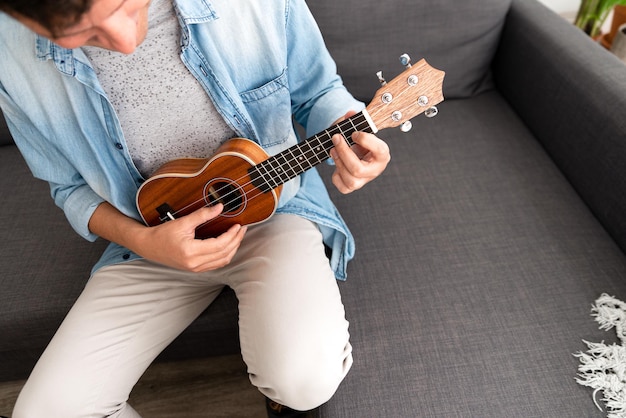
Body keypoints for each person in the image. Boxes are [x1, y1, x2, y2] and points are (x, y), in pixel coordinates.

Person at [0, 0, 391, 416]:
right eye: (84, 34)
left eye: (126, 6)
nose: (126, 42)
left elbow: (318, 93)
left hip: (276, 208)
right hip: (148, 233)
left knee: (304, 381)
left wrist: (352, 137)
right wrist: (147, 243)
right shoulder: (9, 56)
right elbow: (70, 187)